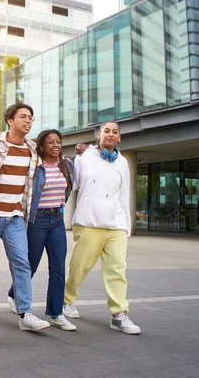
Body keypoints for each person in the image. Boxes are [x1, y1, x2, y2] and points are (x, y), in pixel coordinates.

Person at [0, 102, 50, 332]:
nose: (28, 121)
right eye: (23, 117)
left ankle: (25, 312)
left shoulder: (33, 150)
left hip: (16, 215)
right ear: (10, 120)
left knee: (22, 263)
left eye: (31, 118)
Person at [63, 121, 141, 335]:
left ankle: (118, 314)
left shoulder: (123, 162)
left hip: (115, 224)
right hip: (89, 221)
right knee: (79, 267)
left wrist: (126, 225)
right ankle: (66, 301)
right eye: (106, 131)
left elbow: (124, 194)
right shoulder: (84, 158)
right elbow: (72, 184)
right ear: (98, 135)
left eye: (115, 132)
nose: (110, 134)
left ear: (119, 138)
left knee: (117, 269)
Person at [10, 129, 77, 331]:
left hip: (57, 219)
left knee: (58, 267)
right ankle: (15, 294)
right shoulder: (35, 166)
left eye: (58, 142)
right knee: (30, 264)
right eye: (51, 143)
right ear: (41, 146)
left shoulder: (67, 165)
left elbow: (68, 190)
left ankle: (56, 313)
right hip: (37, 219)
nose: (56, 145)